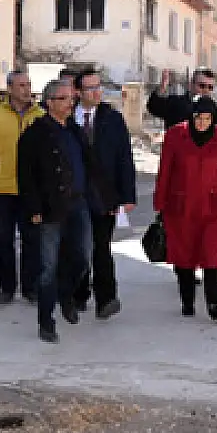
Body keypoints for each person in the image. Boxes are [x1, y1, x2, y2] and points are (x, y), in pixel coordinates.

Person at [18, 79, 106, 343]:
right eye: (65, 99)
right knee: (48, 266)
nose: (71, 103)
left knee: (82, 259)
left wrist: (105, 198)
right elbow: (26, 176)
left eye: (72, 98)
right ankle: (46, 322)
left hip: (77, 204)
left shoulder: (75, 131)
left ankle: (65, 295)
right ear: (50, 103)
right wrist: (33, 208)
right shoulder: (35, 134)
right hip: (50, 208)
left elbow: (90, 167)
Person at [153, 96, 217, 322]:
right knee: (184, 255)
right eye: (199, 118)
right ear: (191, 117)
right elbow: (165, 170)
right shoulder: (175, 135)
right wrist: (160, 203)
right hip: (181, 206)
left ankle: (213, 303)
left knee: (212, 256)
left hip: (213, 207)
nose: (203, 123)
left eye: (207, 119)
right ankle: (187, 301)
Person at [0, 70, 46, 304]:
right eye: (21, 85)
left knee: (32, 239)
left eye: (28, 84)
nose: (26, 89)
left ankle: (30, 287)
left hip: (32, 190)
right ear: (10, 89)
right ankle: (7, 287)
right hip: (1, 188)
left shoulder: (41, 115)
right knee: (4, 240)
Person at [71, 69, 137, 319]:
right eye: (90, 88)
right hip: (75, 196)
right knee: (78, 248)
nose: (97, 91)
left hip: (104, 195)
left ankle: (106, 298)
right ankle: (78, 294)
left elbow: (124, 158)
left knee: (101, 247)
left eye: (99, 86)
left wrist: (127, 196)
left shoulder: (112, 119)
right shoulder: (68, 118)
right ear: (78, 92)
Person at [146, 68, 217, 129]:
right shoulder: (176, 104)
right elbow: (153, 106)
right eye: (202, 85)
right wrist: (162, 86)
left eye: (210, 87)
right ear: (191, 85)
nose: (206, 90)